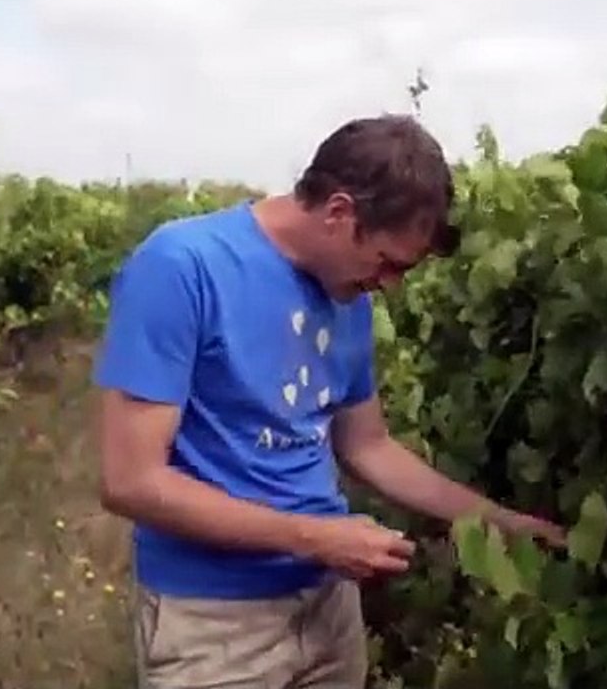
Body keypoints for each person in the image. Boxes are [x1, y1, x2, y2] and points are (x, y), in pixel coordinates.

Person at [91, 114, 566, 689]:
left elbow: (369, 446)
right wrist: (318, 537)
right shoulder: (182, 267)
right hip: (212, 626)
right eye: (388, 263)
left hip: (327, 611)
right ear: (339, 212)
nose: (390, 285)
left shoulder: (350, 300)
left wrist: (499, 522)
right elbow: (131, 482)